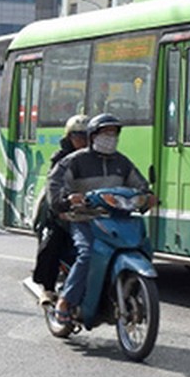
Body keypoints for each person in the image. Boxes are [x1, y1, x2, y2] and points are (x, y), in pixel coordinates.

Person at [49, 113, 151, 326]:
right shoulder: (76, 160)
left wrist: (147, 197)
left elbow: (140, 185)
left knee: (145, 246)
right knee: (87, 254)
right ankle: (66, 301)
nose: (109, 138)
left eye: (113, 133)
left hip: (117, 220)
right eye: (105, 133)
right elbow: (55, 185)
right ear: (93, 136)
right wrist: (68, 199)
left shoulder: (122, 163)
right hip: (84, 219)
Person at [31, 114, 89, 302]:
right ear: (69, 138)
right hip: (65, 209)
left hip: (91, 210)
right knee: (53, 240)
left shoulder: (100, 158)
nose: (81, 141)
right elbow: (54, 186)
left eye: (86, 136)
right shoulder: (61, 159)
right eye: (77, 136)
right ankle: (47, 287)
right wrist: (62, 204)